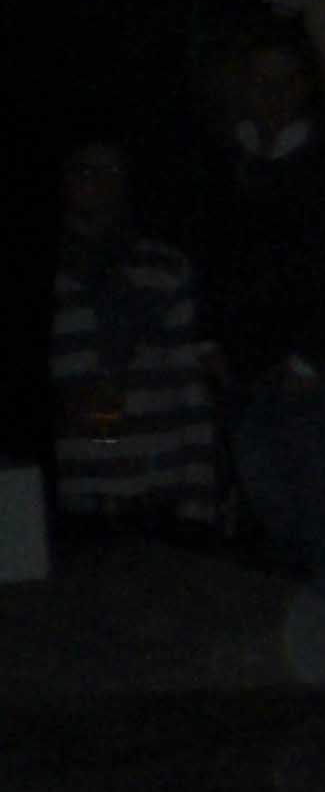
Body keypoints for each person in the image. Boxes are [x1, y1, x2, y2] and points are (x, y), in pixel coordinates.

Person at [200, 22, 325, 624]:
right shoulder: (232, 170)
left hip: (321, 383)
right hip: (250, 380)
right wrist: (212, 340)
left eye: (287, 81)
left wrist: (312, 356)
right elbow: (213, 260)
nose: (274, 96)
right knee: (282, 534)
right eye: (261, 82)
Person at [46, 137, 225, 535]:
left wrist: (199, 494)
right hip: (79, 490)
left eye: (111, 172)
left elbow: (190, 385)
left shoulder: (164, 266)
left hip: (160, 487)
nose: (98, 183)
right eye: (86, 171)